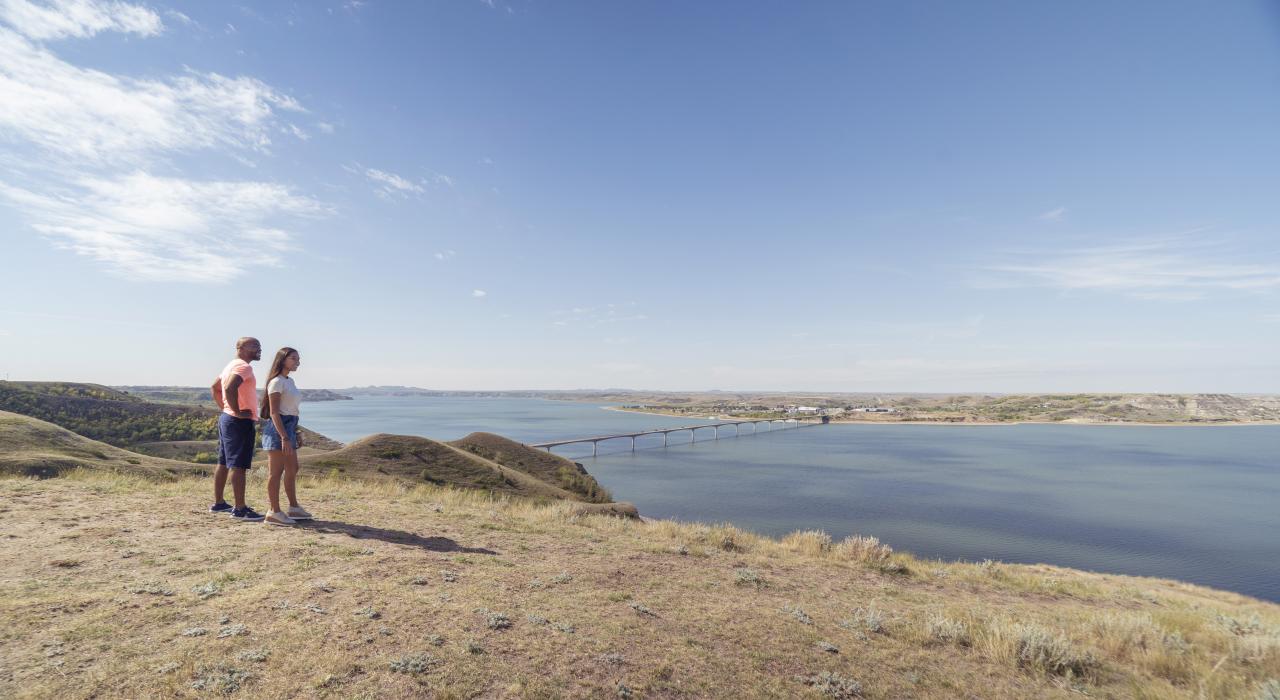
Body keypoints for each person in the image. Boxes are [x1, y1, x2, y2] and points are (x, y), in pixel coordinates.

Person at [209, 337, 265, 521]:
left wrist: (226, 409)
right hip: (237, 422)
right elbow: (229, 387)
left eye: (259, 346)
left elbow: (215, 387)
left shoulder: (230, 365)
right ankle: (240, 509)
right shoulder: (244, 366)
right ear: (240, 347)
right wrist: (238, 412)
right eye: (254, 346)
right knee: (238, 465)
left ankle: (219, 503)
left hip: (227, 419)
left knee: (224, 462)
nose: (259, 349)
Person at [259, 347, 314, 526]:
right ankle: (273, 512)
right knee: (276, 472)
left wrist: (295, 432)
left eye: (298, 359)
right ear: (282, 360)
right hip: (278, 429)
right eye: (293, 358)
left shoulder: (289, 381)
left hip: (289, 426)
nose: (297, 362)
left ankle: (294, 508)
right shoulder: (276, 382)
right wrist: (284, 437)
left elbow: (292, 411)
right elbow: (275, 413)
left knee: (293, 468)